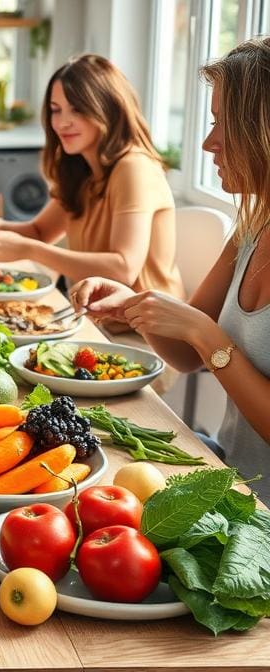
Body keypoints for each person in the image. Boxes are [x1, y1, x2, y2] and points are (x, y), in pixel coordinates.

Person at [71, 38, 270, 501]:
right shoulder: (252, 228)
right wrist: (132, 305)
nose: (207, 142)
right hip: (228, 474)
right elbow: (185, 355)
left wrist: (207, 334)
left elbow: (202, 341)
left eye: (224, 124)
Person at [0, 54, 183, 298]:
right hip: (95, 316)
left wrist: (29, 250)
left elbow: (123, 269)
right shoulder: (83, 169)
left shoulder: (134, 168)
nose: (63, 123)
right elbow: (40, 232)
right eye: (56, 110)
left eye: (77, 109)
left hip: (141, 331)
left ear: (107, 108)